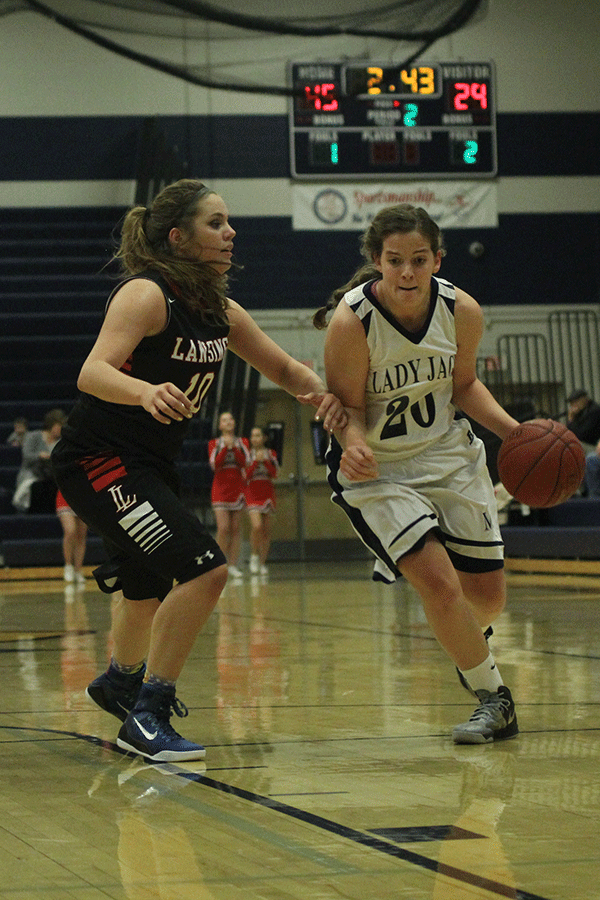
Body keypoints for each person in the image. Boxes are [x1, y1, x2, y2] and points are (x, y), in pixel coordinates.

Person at [51, 178, 346, 762]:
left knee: (147, 584)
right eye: (215, 223)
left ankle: (119, 682)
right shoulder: (145, 295)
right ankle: (149, 713)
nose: (230, 231)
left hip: (148, 463)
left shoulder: (219, 310)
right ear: (178, 238)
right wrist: (143, 391)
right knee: (206, 570)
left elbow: (286, 370)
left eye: (229, 222)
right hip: (98, 460)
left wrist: (335, 400)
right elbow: (92, 373)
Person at [313, 203, 520, 745]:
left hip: (449, 456)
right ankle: (493, 698)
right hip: (379, 468)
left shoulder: (462, 310)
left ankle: (469, 649)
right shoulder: (352, 322)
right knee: (437, 582)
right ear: (377, 261)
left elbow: (465, 385)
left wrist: (513, 431)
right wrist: (353, 445)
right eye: (395, 260)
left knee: (488, 599)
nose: (407, 272)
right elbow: (348, 408)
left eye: (419, 260)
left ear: (438, 259)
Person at [208, 411, 250, 578]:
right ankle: (219, 565)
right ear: (220, 425)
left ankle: (233, 565)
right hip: (220, 490)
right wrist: (226, 448)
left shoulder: (243, 442)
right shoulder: (214, 443)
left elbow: (245, 462)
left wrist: (234, 447)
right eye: (224, 420)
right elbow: (215, 464)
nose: (228, 422)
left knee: (235, 528)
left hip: (238, 489)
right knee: (223, 528)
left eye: (231, 419)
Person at [13, 408, 65, 512]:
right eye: (59, 426)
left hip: (51, 477)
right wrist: (39, 456)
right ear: (52, 425)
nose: (61, 429)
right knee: (36, 487)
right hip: (32, 475)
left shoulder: (61, 442)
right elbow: (27, 456)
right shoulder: (33, 436)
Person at [245, 425, 279, 575]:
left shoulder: (271, 454)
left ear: (264, 438)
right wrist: (255, 462)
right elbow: (245, 475)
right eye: (253, 436)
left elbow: (274, 473)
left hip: (267, 492)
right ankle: (253, 556)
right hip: (252, 492)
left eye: (258, 435)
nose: (255, 439)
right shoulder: (247, 454)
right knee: (257, 527)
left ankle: (262, 562)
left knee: (266, 530)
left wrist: (264, 461)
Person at [56, 489, 89, 585]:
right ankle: (68, 565)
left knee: (81, 536)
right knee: (70, 531)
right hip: (65, 497)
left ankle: (78, 570)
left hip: (83, 498)